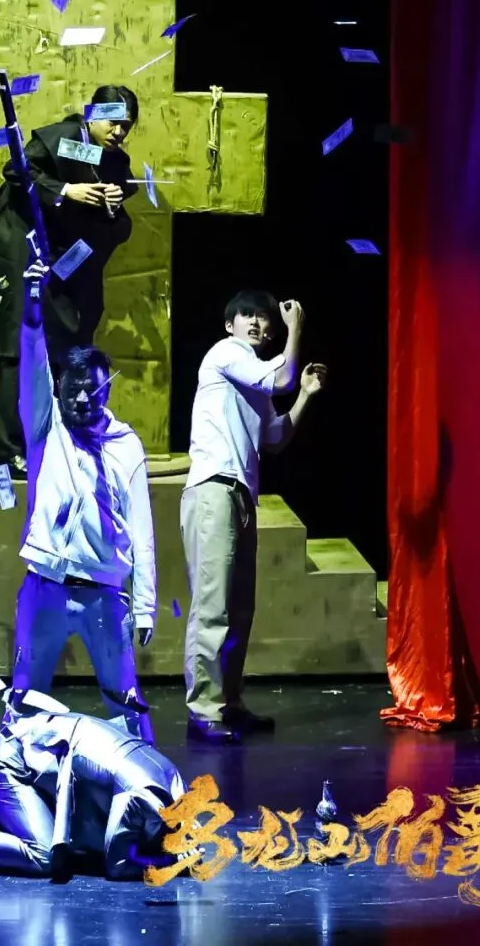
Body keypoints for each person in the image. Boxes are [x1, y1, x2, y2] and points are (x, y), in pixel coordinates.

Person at [9, 257, 156, 735]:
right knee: (26, 695)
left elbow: (142, 529)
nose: (80, 400)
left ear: (106, 390)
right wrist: (33, 305)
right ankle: (16, 772)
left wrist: (146, 604)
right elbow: (33, 363)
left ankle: (146, 778)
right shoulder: (46, 427)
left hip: (104, 593)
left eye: (91, 391)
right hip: (45, 585)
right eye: (72, 390)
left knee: (124, 701)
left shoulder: (126, 445)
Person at [181, 291, 327, 743]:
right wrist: (295, 327)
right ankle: (203, 710)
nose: (257, 324)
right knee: (213, 605)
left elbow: (276, 436)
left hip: (241, 493)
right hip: (214, 488)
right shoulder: (227, 353)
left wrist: (304, 396)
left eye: (264, 319)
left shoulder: (252, 377)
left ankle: (229, 701)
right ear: (230, 325)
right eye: (248, 316)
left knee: (240, 607)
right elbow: (282, 375)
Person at [0, 87, 138, 474]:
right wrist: (66, 190)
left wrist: (111, 203)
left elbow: (117, 213)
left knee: (66, 343)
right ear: (92, 115)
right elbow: (16, 170)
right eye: (113, 122)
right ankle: (5, 452)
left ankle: (54, 441)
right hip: (21, 247)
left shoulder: (113, 158)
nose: (118, 132)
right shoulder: (64, 137)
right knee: (18, 345)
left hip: (64, 262)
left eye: (127, 125)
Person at [0, 694, 185, 879]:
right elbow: (117, 864)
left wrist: (180, 846)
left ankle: (3, 828)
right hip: (9, 760)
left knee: (78, 844)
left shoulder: (173, 781)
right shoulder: (142, 796)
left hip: (42, 756)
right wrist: (171, 864)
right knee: (44, 857)